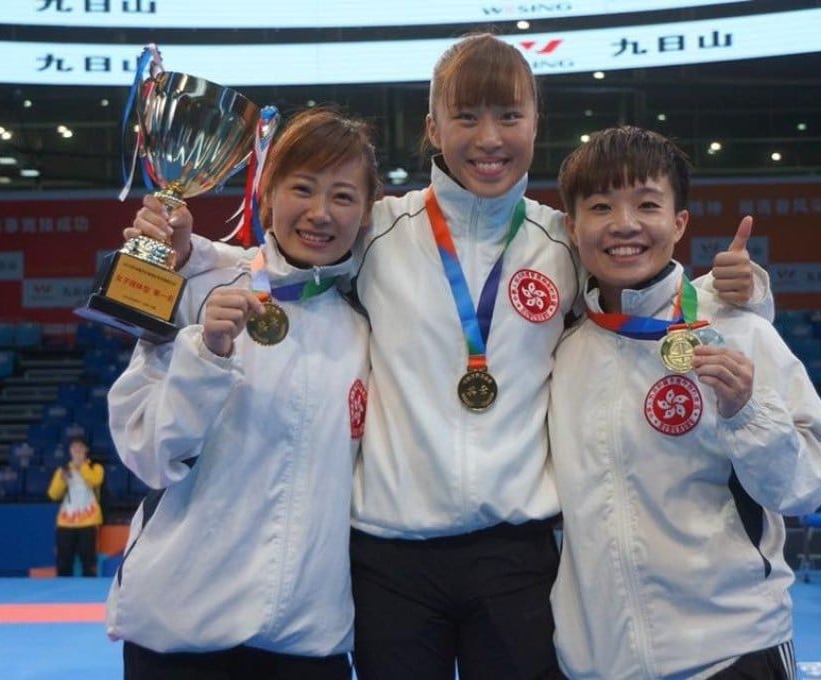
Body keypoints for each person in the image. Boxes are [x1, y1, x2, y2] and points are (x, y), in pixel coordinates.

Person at [129, 33, 771, 680]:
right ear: (434, 126)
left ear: (535, 123)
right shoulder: (379, 228)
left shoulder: (562, 241)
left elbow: (644, 282)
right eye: (466, 117)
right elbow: (282, 266)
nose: (489, 137)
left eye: (509, 116)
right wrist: (190, 258)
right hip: (390, 560)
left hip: (515, 557)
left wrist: (737, 291)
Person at [548, 124, 821, 679]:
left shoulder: (738, 331)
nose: (625, 225)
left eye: (646, 204)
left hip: (731, 649)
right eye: (600, 206)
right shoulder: (558, 354)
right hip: (597, 662)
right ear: (571, 226)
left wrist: (747, 413)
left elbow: (812, 481)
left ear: (679, 222)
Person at [105, 106, 381, 680]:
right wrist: (205, 355)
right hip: (182, 632)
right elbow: (148, 454)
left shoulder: (371, 321)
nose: (320, 213)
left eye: (343, 196)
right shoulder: (197, 287)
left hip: (309, 641)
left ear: (368, 212)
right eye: (301, 188)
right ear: (266, 195)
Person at [47, 434, 104, 577]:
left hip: (88, 521)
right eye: (74, 448)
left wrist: (81, 466)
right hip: (65, 522)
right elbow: (53, 494)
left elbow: (95, 481)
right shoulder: (63, 470)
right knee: (63, 562)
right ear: (70, 451)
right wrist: (62, 481)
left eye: (80, 448)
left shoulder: (96, 468)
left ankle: (89, 594)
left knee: (88, 561)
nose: (77, 451)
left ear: (86, 450)